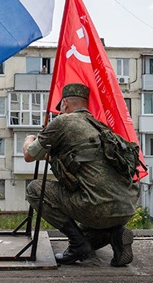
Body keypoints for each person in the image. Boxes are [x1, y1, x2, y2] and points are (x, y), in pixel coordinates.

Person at [23, 83, 139, 267]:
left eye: (61, 106)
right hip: (126, 206)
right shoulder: (100, 127)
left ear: (65, 104)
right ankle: (116, 234)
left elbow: (30, 155)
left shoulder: (63, 121)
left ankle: (77, 244)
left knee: (34, 189)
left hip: (95, 206)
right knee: (88, 235)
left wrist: (29, 139)